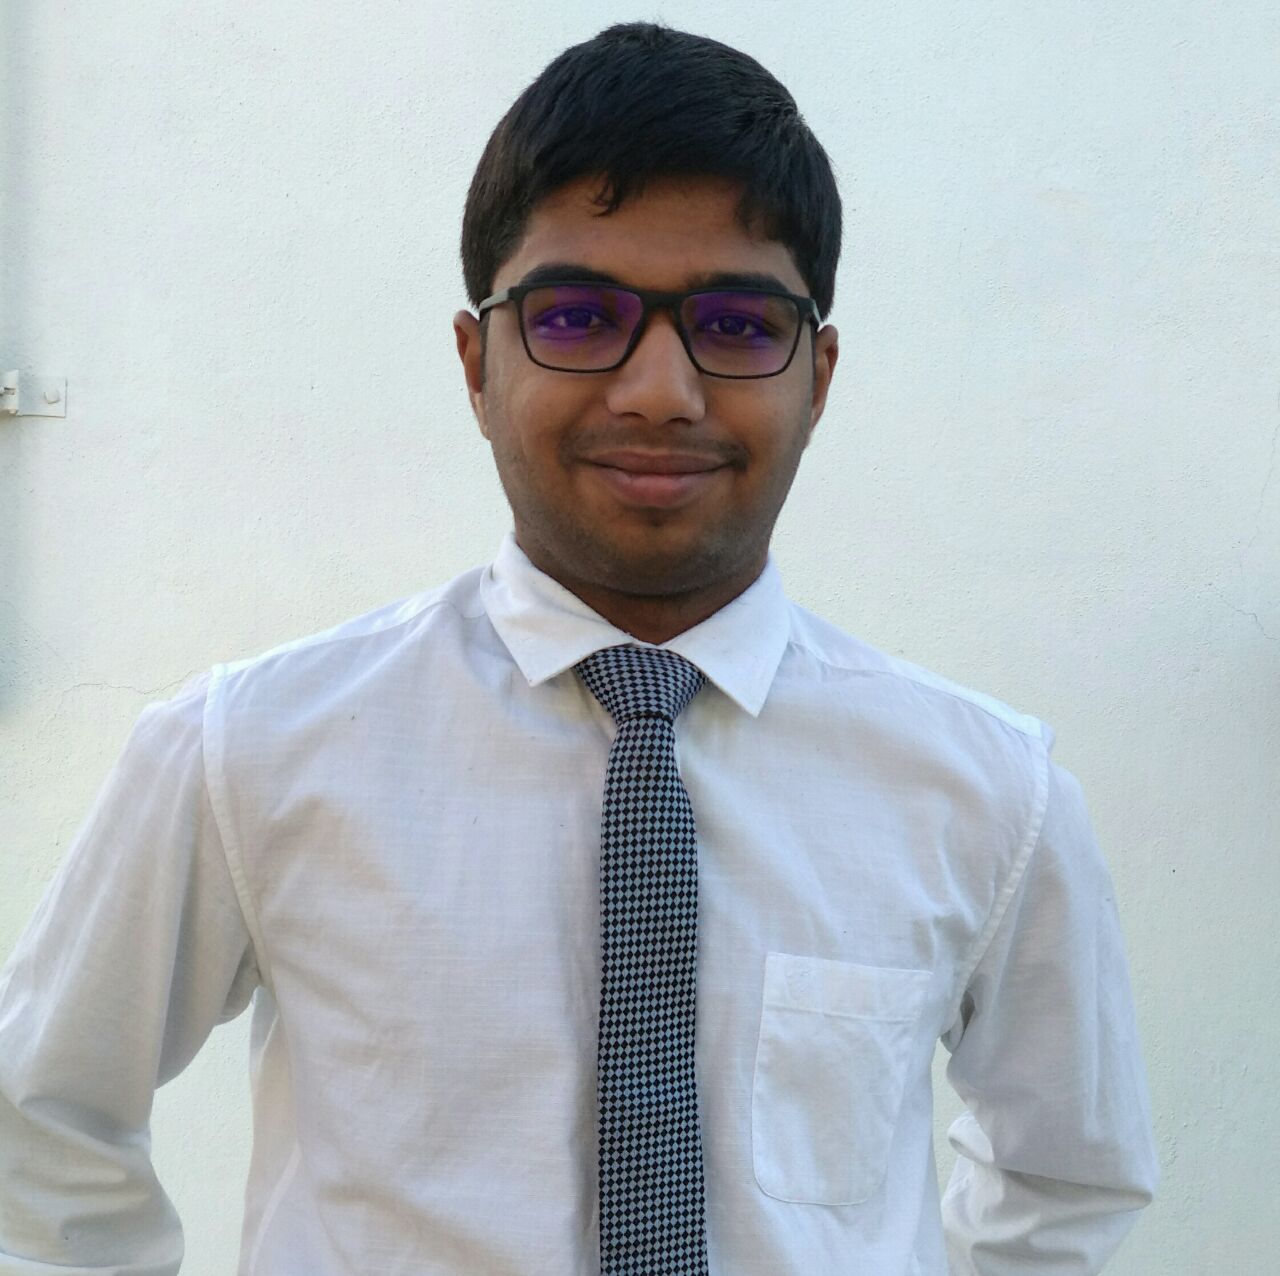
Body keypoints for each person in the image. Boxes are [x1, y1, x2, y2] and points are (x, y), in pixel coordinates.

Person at [0, 21, 1158, 1276]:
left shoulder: (987, 790)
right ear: (475, 362)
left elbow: (1067, 1175)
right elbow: (36, 1118)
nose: (658, 390)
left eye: (735, 323)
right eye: (575, 315)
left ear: (817, 377)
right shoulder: (246, 751)